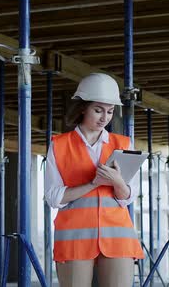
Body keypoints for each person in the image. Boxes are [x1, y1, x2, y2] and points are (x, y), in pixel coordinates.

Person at [44, 73, 144, 287]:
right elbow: (54, 198)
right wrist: (93, 184)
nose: (104, 118)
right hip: (74, 239)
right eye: (98, 110)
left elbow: (127, 197)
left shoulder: (123, 144)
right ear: (82, 107)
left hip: (118, 237)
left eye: (110, 112)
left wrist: (117, 181)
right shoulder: (59, 145)